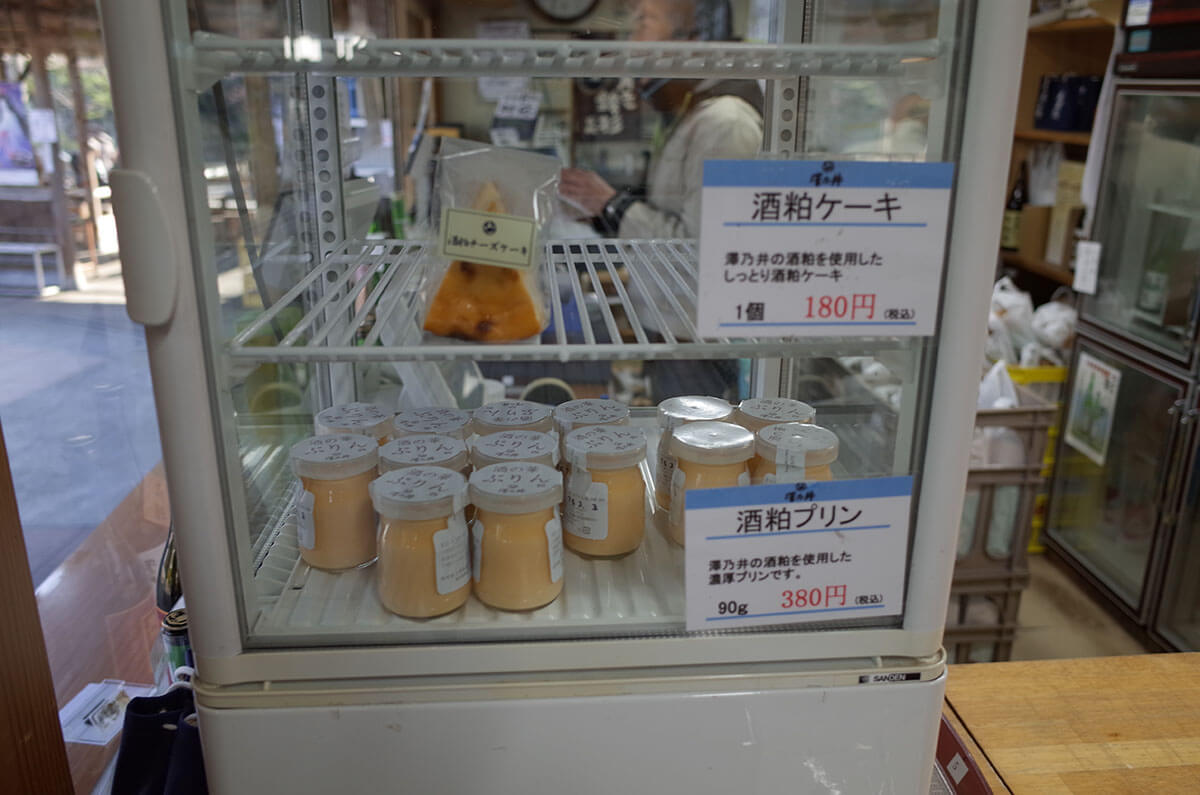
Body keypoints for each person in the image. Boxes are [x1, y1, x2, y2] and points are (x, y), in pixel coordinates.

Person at [559, 0, 763, 241]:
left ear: (692, 41)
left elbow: (704, 248)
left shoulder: (726, 123)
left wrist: (611, 205)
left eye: (643, 23)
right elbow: (666, 214)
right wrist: (600, 213)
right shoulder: (690, 114)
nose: (631, 44)